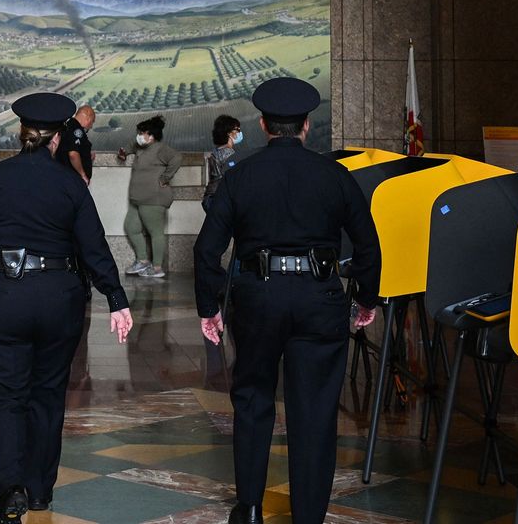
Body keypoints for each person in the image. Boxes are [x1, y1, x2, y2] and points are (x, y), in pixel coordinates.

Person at [193, 78, 381, 524]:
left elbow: (207, 249)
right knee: (314, 409)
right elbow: (368, 246)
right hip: (319, 297)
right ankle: (309, 516)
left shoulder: (240, 176)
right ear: (306, 126)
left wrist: (209, 306)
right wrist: (367, 300)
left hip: (257, 298)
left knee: (253, 399)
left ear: (262, 126)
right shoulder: (335, 175)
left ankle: (252, 508)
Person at [0, 92, 133, 523]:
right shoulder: (70, 185)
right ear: (58, 138)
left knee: (4, 398)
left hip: (0, 298)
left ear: (22, 134)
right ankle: (40, 491)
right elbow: (93, 247)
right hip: (58, 299)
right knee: (48, 394)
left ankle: (10, 491)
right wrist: (116, 298)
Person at [114, 115, 178, 278]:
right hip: (137, 200)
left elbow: (177, 158)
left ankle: (157, 268)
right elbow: (129, 147)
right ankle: (142, 261)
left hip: (153, 199)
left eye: (143, 133)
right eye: (139, 132)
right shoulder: (140, 146)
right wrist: (123, 153)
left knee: (155, 232)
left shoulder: (161, 149)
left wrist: (164, 178)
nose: (139, 136)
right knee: (131, 228)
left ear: (151, 136)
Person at [204, 113, 243, 208]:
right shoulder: (229, 154)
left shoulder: (216, 152)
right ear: (229, 133)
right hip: (221, 200)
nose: (240, 132)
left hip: (211, 197)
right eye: (237, 129)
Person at [55, 104, 96, 183]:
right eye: (92, 121)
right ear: (88, 117)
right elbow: (73, 154)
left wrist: (86, 156)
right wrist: (83, 175)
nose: (91, 126)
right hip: (74, 179)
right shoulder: (76, 130)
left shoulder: (68, 126)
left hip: (66, 177)